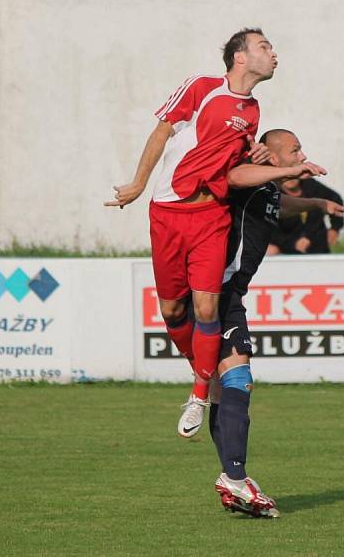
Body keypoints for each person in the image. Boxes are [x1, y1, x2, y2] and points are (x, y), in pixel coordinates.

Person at [105, 28, 277, 438]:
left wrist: (260, 156)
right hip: (167, 213)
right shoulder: (202, 87)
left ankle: (200, 393)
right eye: (265, 47)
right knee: (170, 311)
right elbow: (162, 131)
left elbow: (231, 166)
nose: (274, 54)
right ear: (239, 56)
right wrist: (138, 182)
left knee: (205, 309)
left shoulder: (253, 110)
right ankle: (200, 369)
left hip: (211, 218)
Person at [208, 128, 344, 516]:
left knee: (225, 387)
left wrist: (318, 203)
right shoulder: (247, 177)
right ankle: (235, 479)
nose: (302, 153)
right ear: (270, 155)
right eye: (294, 150)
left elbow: (278, 204)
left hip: (227, 293)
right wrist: (286, 170)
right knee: (237, 379)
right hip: (216, 291)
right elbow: (235, 177)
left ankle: (234, 481)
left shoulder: (268, 191)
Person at [267, 178, 344, 254]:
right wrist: (293, 244)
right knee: (271, 250)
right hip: (285, 246)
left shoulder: (311, 186)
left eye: (293, 175)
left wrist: (335, 229)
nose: (290, 179)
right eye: (287, 176)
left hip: (317, 244)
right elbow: (270, 232)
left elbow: (335, 199)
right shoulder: (271, 194)